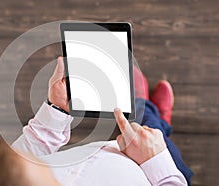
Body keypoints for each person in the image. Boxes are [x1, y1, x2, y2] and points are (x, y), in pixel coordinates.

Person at [12, 57, 193, 185]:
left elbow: (21, 160)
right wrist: (156, 159)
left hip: (120, 148)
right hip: (159, 176)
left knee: (141, 123)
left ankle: (147, 111)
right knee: (155, 134)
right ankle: (154, 116)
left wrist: (57, 109)